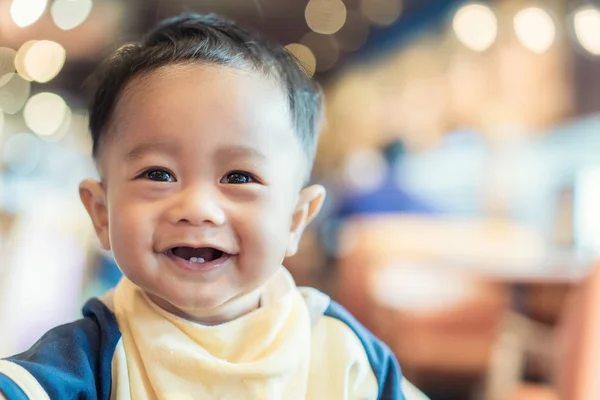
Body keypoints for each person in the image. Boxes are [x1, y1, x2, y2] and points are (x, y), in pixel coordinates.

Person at [0, 13, 427, 400]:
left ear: (295, 220)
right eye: (158, 174)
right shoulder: (89, 361)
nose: (198, 208)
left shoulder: (345, 354)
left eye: (239, 178)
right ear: (101, 211)